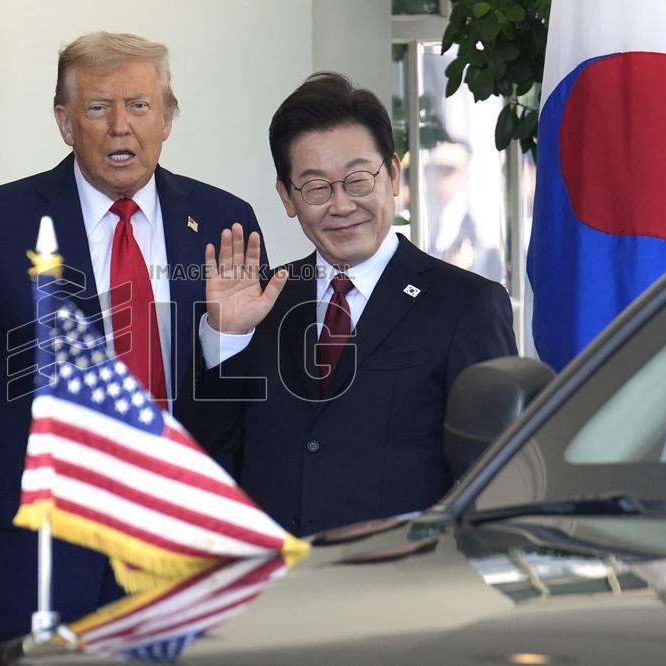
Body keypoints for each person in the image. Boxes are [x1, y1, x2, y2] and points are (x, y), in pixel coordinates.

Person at [0, 32, 266, 656]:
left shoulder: (221, 224)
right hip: (33, 560)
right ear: (65, 122)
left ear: (168, 118)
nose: (120, 127)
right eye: (99, 108)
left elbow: (244, 402)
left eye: (139, 105)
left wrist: (223, 337)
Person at [175, 72, 517, 537]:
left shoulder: (467, 305)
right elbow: (205, 453)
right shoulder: (261, 301)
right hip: (276, 589)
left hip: (398, 588)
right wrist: (226, 338)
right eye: (316, 188)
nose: (340, 206)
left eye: (358, 180)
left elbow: (494, 479)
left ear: (393, 175)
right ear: (287, 198)